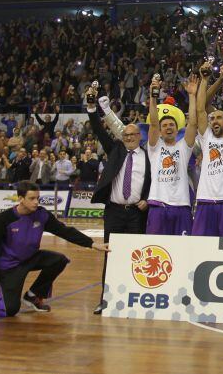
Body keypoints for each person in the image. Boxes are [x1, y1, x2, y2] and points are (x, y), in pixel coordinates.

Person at [0, 181, 109, 317]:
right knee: (10, 310)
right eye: (32, 198)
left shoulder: (42, 215)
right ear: (20, 199)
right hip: (9, 266)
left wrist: (92, 244)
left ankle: (33, 295)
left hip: (30, 258)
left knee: (59, 260)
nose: (36, 202)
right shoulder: (4, 220)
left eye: (38, 198)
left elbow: (64, 231)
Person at [87, 87, 151, 314]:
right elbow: (97, 128)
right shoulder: (115, 149)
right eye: (125, 135)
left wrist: (147, 199)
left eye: (133, 135)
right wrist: (92, 108)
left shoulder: (148, 156)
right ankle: (106, 299)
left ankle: (134, 299)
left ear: (140, 136)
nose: (129, 138)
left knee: (137, 256)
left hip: (137, 213)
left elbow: (154, 183)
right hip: (114, 211)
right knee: (110, 255)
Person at [192, 60, 223, 237]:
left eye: (219, 118)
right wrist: (207, 79)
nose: (214, 121)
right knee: (199, 250)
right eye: (212, 118)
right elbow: (200, 109)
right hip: (205, 200)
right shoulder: (206, 138)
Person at [146, 73, 198, 235]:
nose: (168, 127)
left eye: (172, 125)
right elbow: (154, 123)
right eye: (165, 125)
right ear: (160, 132)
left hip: (182, 206)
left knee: (183, 253)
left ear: (177, 130)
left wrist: (192, 96)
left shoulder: (184, 147)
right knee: (156, 248)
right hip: (158, 204)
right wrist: (153, 97)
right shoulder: (154, 147)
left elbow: (193, 124)